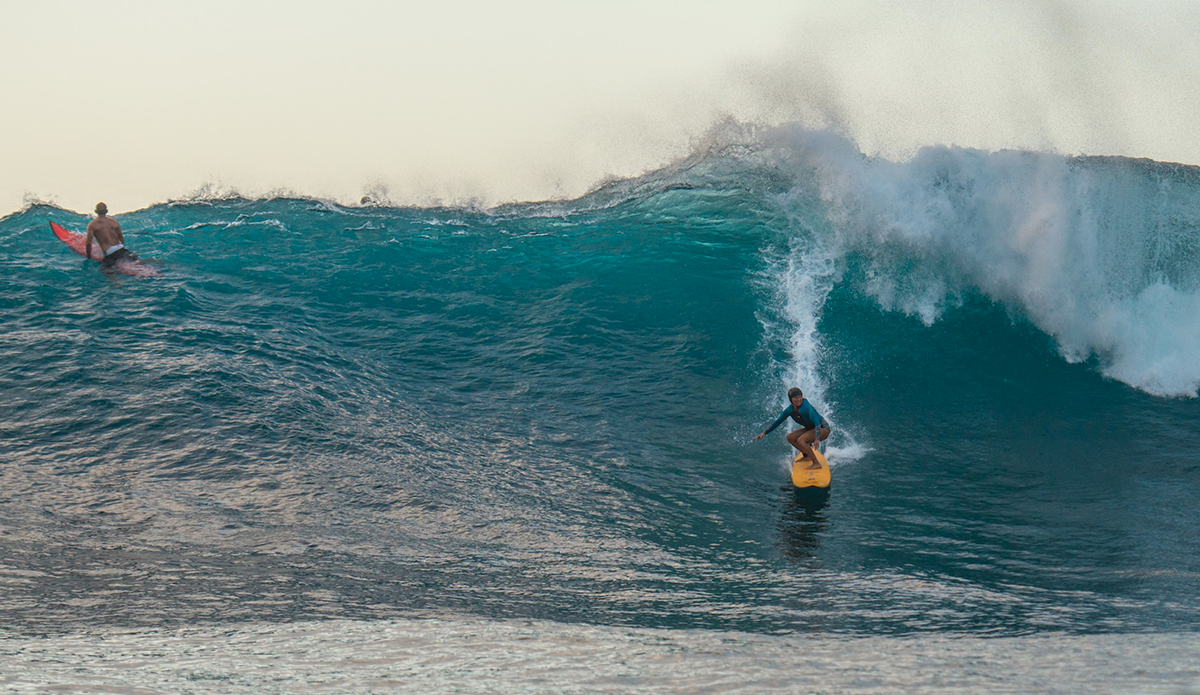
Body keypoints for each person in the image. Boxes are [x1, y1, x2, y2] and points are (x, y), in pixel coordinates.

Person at [754, 387, 830, 469]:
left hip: (823, 429)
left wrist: (817, 438)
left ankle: (816, 463)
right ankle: (807, 456)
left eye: (800, 397)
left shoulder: (806, 407)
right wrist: (764, 433)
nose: (799, 399)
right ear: (791, 399)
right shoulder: (790, 410)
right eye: (796, 398)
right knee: (790, 437)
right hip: (811, 429)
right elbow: (777, 422)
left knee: (801, 440)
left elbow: (817, 423)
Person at [85, 202, 137, 269]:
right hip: (121, 248)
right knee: (135, 261)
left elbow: (88, 242)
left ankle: (117, 280)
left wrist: (88, 256)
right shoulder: (114, 222)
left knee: (105, 270)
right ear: (106, 211)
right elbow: (121, 238)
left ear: (95, 211)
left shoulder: (92, 225)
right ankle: (153, 261)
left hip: (111, 252)